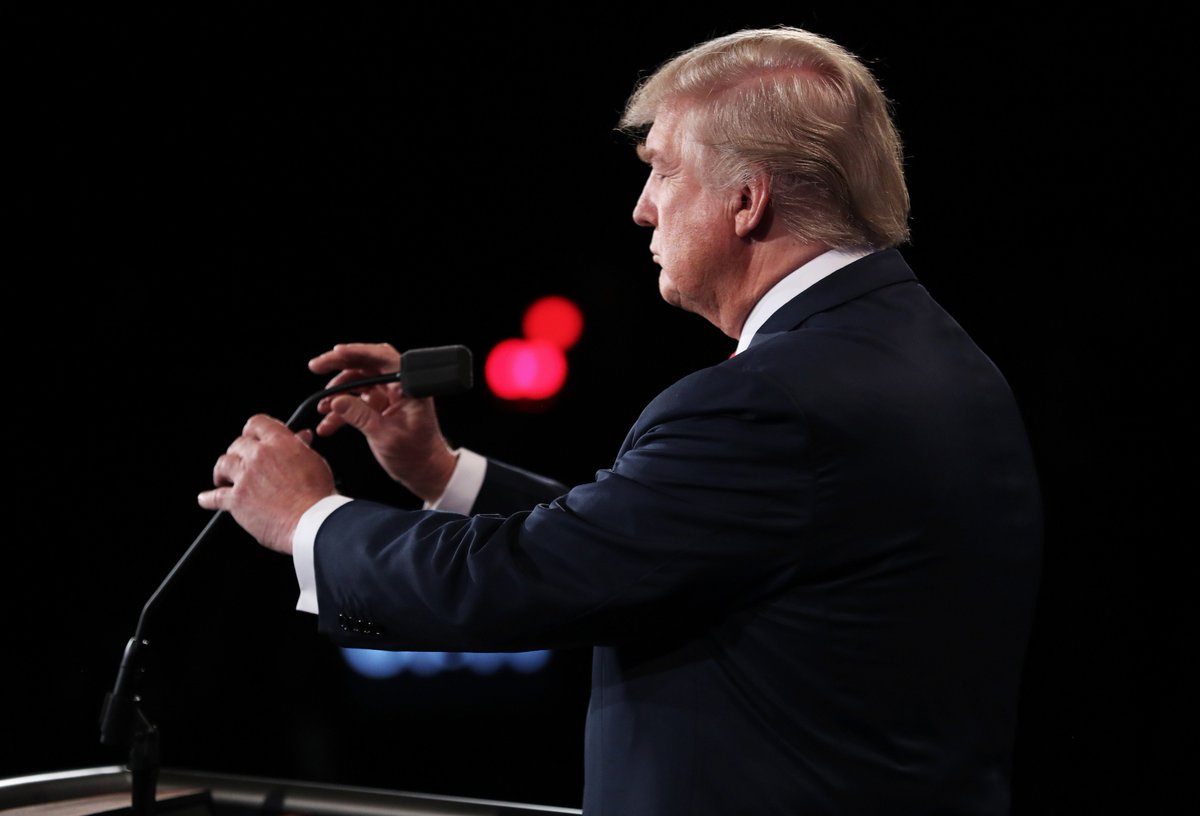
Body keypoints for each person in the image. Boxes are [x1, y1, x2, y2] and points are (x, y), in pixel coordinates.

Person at [198, 25, 1043, 815]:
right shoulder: (945, 360)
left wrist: (307, 518)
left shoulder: (771, 399)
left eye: (662, 170)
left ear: (747, 199)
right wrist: (440, 473)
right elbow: (647, 548)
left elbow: (528, 582)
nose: (642, 207)